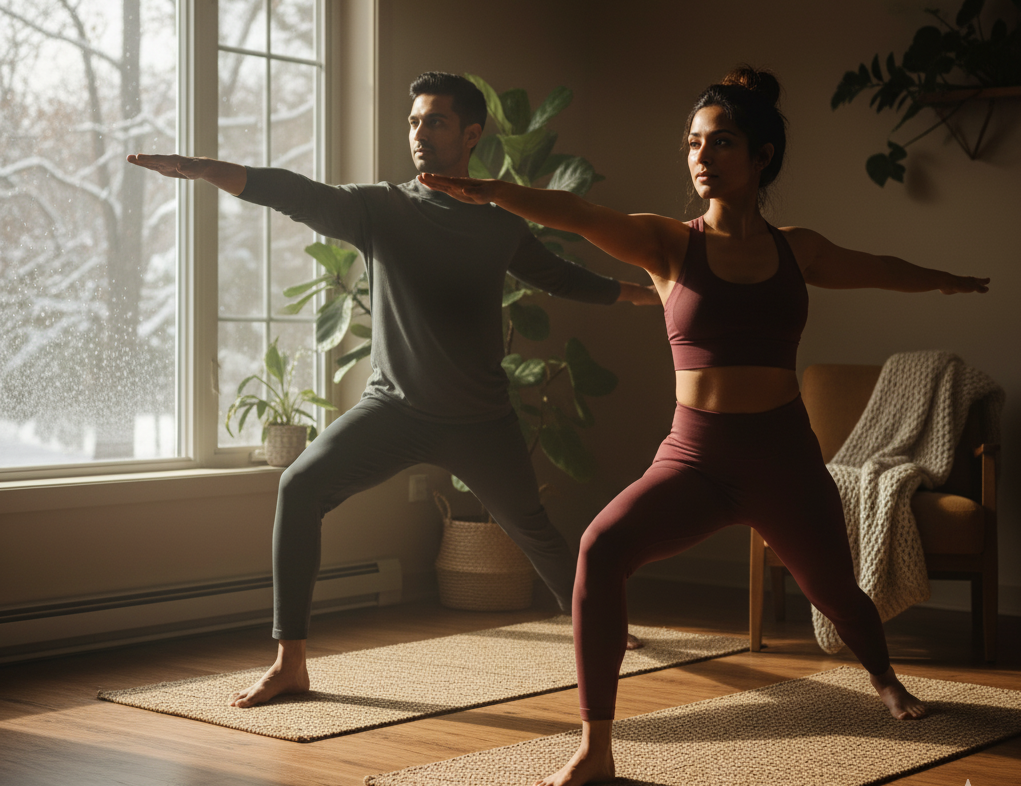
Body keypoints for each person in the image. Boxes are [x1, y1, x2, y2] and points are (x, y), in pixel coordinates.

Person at [419, 66, 990, 786]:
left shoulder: (796, 250)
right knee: (599, 547)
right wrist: (496, 191)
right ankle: (597, 744)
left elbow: (873, 265)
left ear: (762, 157)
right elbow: (579, 213)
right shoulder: (667, 245)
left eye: (721, 143)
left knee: (839, 591)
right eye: (693, 143)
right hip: (694, 456)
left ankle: (886, 680)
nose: (702, 157)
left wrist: (943, 279)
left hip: (782, 457)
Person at [128, 72, 657, 708]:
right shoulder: (382, 208)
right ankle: (289, 663)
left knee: (535, 531)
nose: (419, 133)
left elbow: (556, 275)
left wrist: (635, 293)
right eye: (413, 122)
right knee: (298, 488)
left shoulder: (500, 224)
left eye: (433, 122)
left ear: (470, 134)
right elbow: (298, 194)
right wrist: (205, 168)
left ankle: (599, 628)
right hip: (394, 408)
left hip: (480, 419)